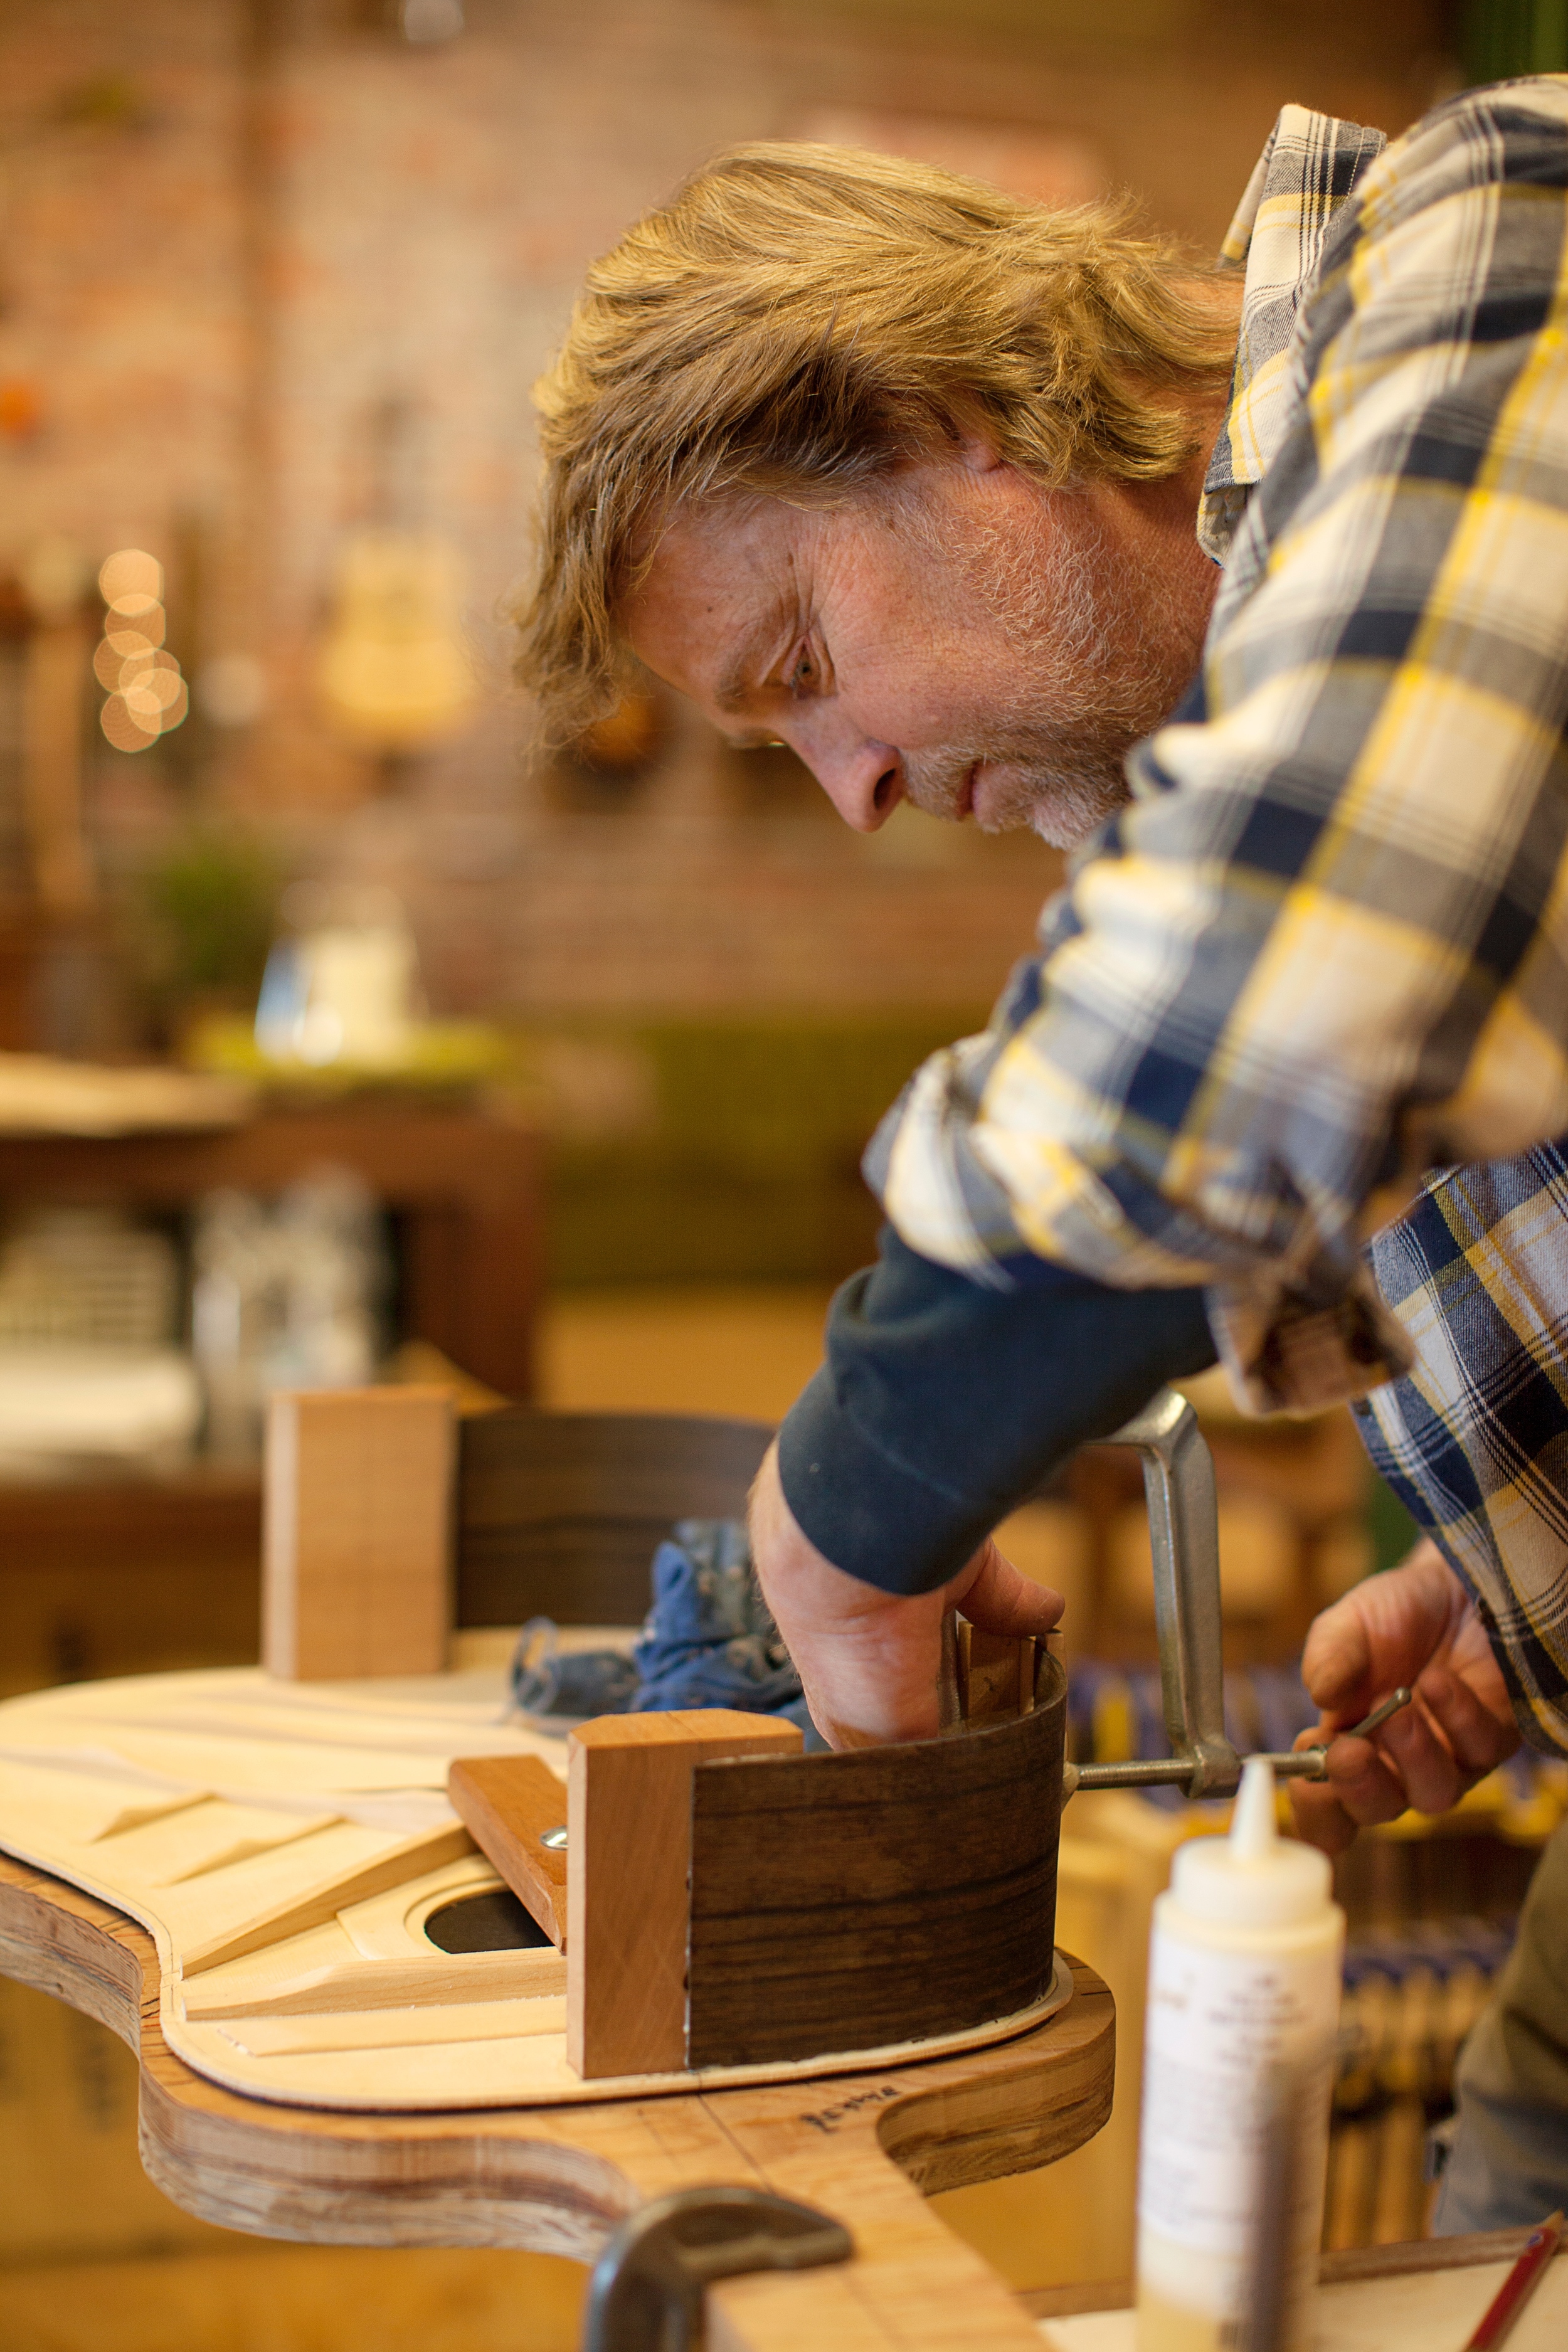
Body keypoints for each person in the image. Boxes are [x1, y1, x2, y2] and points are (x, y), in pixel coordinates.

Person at [517, 82, 1568, 2226]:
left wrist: (851, 1491)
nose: (854, 790)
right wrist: (1533, 1580)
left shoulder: (1499, 245)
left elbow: (1284, 975)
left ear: (945, 415)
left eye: (804, 667)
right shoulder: (1294, 684)